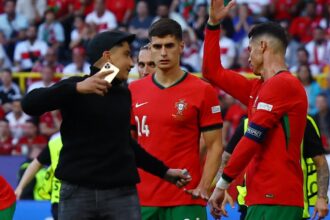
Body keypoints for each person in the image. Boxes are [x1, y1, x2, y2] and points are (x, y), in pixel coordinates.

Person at [21, 30, 191, 220]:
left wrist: (164, 172)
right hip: (77, 192)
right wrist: (76, 88)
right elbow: (29, 104)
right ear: (107, 56)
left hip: (121, 193)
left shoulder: (124, 94)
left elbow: (125, 143)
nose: (132, 63)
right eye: (127, 55)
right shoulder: (75, 86)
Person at [204, 1, 308, 219]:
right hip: (260, 198)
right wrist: (213, 24)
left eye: (250, 50)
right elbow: (212, 72)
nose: (248, 57)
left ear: (263, 46)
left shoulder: (284, 85)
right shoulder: (258, 88)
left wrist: (222, 184)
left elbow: (252, 138)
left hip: (278, 199)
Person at [129, 18, 223, 220]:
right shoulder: (133, 91)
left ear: (181, 46)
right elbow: (126, 145)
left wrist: (204, 187)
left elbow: (215, 145)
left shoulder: (203, 91)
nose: (163, 53)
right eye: (157, 46)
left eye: (169, 46)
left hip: (186, 199)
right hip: (143, 199)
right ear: (150, 48)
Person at [221, 115, 330, 219]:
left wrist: (321, 198)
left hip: (290, 203)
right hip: (250, 204)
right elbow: (225, 159)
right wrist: (222, 189)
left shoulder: (303, 122)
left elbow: (321, 163)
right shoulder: (248, 123)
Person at [15, 132, 62, 220]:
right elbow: (37, 163)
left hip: (85, 196)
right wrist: (20, 187)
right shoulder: (55, 143)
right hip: (59, 199)